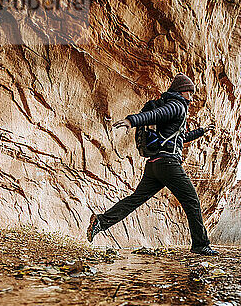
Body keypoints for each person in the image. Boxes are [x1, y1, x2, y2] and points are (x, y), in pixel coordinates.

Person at [86, 72, 219, 255]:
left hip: (154, 166)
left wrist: (201, 131)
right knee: (192, 201)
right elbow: (155, 114)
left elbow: (180, 137)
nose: (192, 96)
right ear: (182, 91)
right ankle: (201, 245)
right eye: (190, 92)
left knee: (135, 199)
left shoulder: (174, 107)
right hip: (168, 164)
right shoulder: (177, 106)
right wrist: (131, 121)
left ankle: (101, 221)